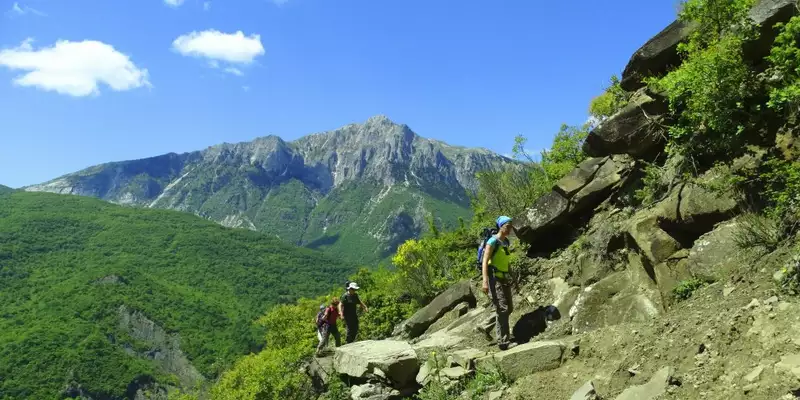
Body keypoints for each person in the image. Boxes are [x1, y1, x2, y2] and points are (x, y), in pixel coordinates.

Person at [481, 215, 517, 350]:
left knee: (509, 308)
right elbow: (485, 261)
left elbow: (506, 262)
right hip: (494, 278)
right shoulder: (492, 241)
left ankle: (491, 329)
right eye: (507, 227)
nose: (510, 230)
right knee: (502, 308)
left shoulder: (505, 242)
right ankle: (503, 342)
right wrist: (485, 281)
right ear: (500, 227)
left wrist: (513, 277)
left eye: (511, 227)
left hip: (504, 277)